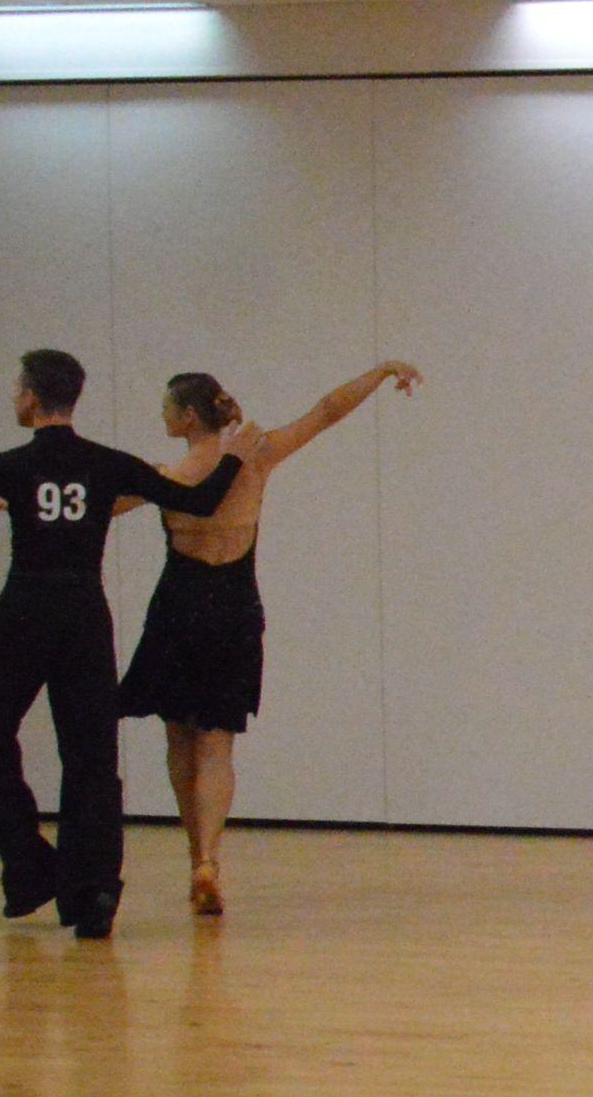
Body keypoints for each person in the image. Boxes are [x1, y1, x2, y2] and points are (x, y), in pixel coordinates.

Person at [0, 350, 242, 939]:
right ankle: (94, 890)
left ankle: (31, 869)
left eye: (16, 388)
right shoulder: (107, 463)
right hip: (84, 618)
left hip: (23, 614)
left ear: (31, 397)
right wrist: (233, 455)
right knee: (91, 756)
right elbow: (199, 501)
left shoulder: (9, 466)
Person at [117, 361, 419, 916]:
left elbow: (93, 503)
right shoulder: (257, 455)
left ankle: (195, 856)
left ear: (188, 417)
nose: (161, 415)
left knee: (179, 738)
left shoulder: (166, 474)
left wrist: (10, 500)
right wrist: (379, 373)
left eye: (166, 408)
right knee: (217, 743)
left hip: (177, 611)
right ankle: (210, 859)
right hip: (233, 609)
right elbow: (325, 412)